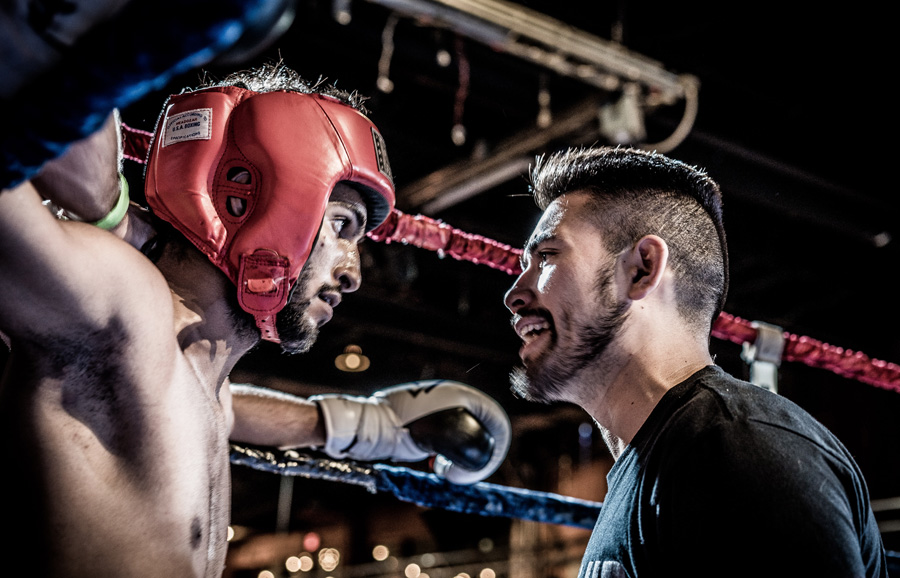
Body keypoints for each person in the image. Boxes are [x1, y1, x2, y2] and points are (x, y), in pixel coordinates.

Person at [0, 62, 511, 578]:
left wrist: (359, 425)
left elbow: (216, 410)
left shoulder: (198, 376)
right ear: (258, 199)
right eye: (340, 226)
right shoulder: (122, 303)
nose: (354, 273)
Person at [503, 146, 886, 577]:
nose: (514, 294)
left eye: (547, 256)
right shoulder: (667, 464)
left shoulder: (737, 453)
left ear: (642, 269)